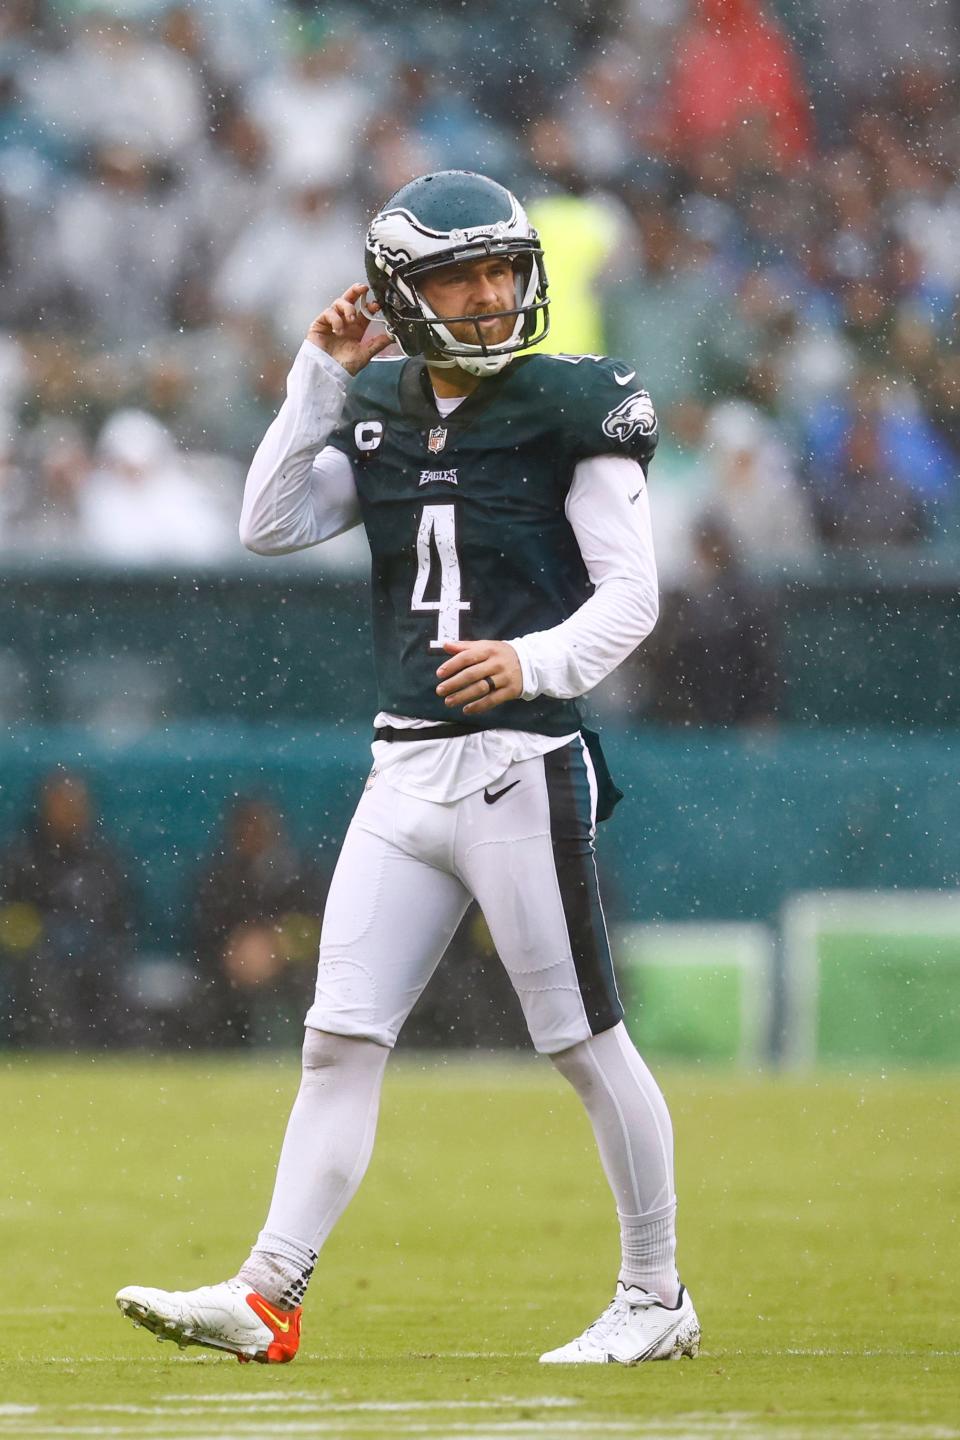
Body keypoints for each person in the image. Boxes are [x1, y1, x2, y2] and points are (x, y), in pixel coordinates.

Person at [116, 170, 700, 1367]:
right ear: (400, 292)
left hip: (519, 765)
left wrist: (532, 660)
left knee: (583, 1044)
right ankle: (270, 1292)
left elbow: (633, 595)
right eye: (458, 275)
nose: (490, 296)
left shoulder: (575, 403)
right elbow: (268, 522)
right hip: (403, 771)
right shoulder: (378, 404)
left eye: (502, 270)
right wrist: (318, 377)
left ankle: (656, 1295)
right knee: (337, 1037)